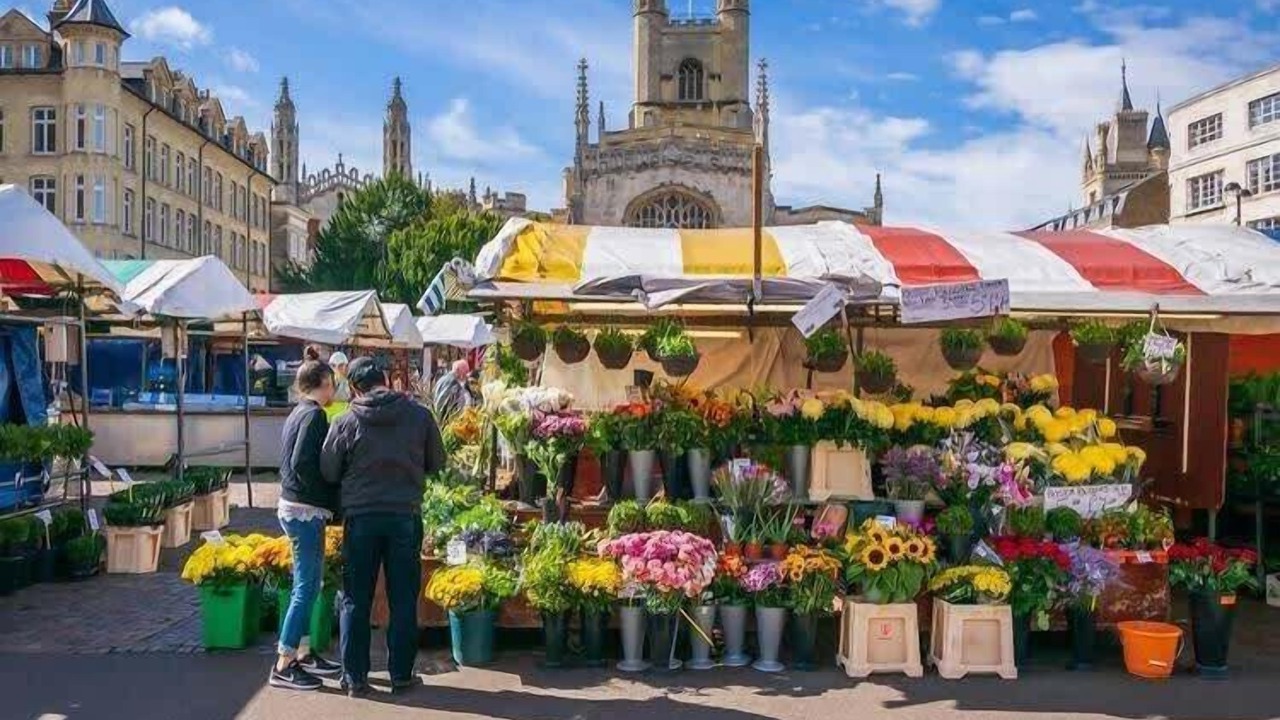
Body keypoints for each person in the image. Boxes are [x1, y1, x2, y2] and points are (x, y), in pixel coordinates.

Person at [321, 357, 446, 698]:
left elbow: (329, 470)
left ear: (356, 388)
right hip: (404, 516)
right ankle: (401, 675)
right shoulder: (419, 416)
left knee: (354, 598)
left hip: (360, 518)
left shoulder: (346, 421)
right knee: (404, 598)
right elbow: (438, 461)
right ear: (386, 381)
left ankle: (354, 677)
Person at [270, 346, 343, 691]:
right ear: (324, 382)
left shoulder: (298, 411)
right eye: (333, 383)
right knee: (306, 587)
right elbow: (302, 463)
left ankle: (302, 653)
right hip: (304, 509)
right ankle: (284, 663)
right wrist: (329, 494)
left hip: (294, 506)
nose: (335, 390)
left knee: (308, 584)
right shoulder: (315, 416)